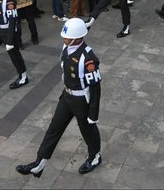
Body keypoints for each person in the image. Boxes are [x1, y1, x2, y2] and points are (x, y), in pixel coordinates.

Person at [16, 18, 102, 178]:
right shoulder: (66, 48)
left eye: (67, 36)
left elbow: (95, 87)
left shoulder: (88, 57)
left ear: (77, 38)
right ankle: (39, 163)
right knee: (54, 129)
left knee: (88, 130)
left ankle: (95, 156)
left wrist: (93, 113)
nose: (64, 38)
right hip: (67, 96)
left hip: (81, 100)